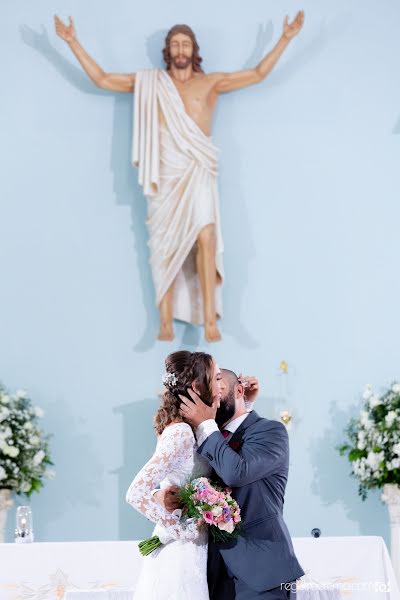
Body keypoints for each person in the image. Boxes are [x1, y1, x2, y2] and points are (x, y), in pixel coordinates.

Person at [54, 14, 305, 343]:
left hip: (198, 167)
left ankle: (211, 320)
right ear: (168, 50)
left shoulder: (210, 83)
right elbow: (102, 79)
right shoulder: (150, 83)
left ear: (194, 49)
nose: (180, 48)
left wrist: (285, 38)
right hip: (166, 173)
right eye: (175, 44)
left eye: (186, 43)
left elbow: (258, 74)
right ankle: (164, 320)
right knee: (164, 245)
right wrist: (72, 41)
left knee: (206, 236)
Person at [167, 368, 304, 599]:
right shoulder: (205, 438)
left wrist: (208, 423)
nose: (213, 402)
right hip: (211, 574)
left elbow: (236, 472)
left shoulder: (270, 431)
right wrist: (162, 494)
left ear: (239, 390)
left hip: (262, 571)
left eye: (219, 392)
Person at [125, 350, 222, 599]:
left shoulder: (194, 427)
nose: (221, 386)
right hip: (180, 552)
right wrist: (179, 529)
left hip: (197, 548)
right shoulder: (180, 433)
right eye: (216, 378)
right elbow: (135, 492)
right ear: (197, 385)